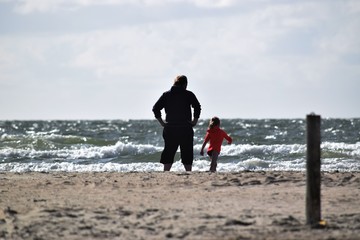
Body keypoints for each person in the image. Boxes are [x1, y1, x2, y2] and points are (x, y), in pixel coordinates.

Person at [152, 75, 201, 171]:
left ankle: (166, 172)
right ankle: (188, 172)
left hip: (170, 128)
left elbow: (155, 108)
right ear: (185, 84)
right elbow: (197, 107)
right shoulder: (188, 94)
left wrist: (162, 122)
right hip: (185, 128)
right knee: (187, 152)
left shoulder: (166, 95)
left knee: (169, 152)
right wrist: (194, 121)